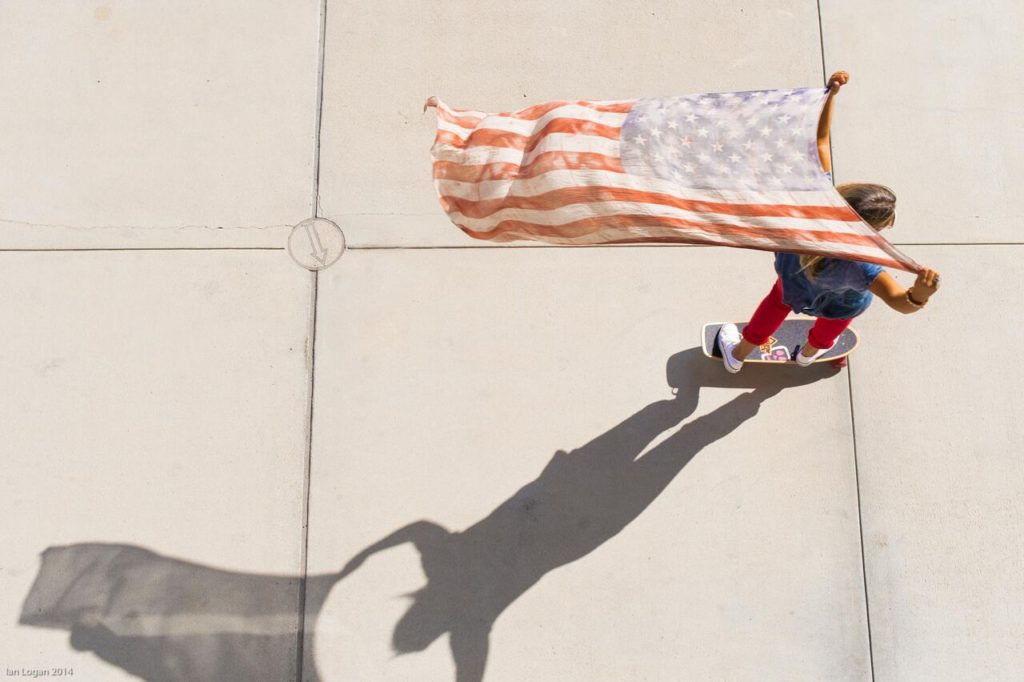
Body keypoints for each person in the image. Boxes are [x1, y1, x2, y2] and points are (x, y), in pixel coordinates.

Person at [717, 71, 941, 373]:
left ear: (845, 194)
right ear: (874, 227)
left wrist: (831, 95)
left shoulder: (815, 201)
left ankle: (738, 354)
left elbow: (820, 141)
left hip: (793, 287)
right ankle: (809, 354)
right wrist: (920, 295)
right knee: (832, 325)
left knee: (773, 308)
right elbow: (900, 302)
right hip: (840, 305)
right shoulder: (863, 264)